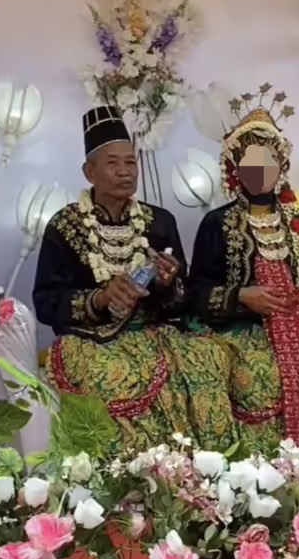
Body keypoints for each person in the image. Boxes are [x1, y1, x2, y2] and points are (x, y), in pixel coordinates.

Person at [33, 105, 237, 451]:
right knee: (115, 375)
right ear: (89, 172)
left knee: (206, 361)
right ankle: (126, 480)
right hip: (91, 341)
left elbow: (184, 299)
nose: (125, 172)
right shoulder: (64, 226)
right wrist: (99, 299)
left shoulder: (159, 222)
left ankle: (202, 473)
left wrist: (169, 282)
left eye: (131, 162)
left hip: (155, 333)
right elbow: (46, 302)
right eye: (113, 163)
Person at [187, 87, 299, 463]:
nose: (260, 171)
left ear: (281, 167)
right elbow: (194, 293)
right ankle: (254, 483)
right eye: (251, 162)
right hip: (241, 333)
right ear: (236, 168)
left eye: (268, 162)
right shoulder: (217, 223)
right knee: (259, 380)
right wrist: (242, 297)